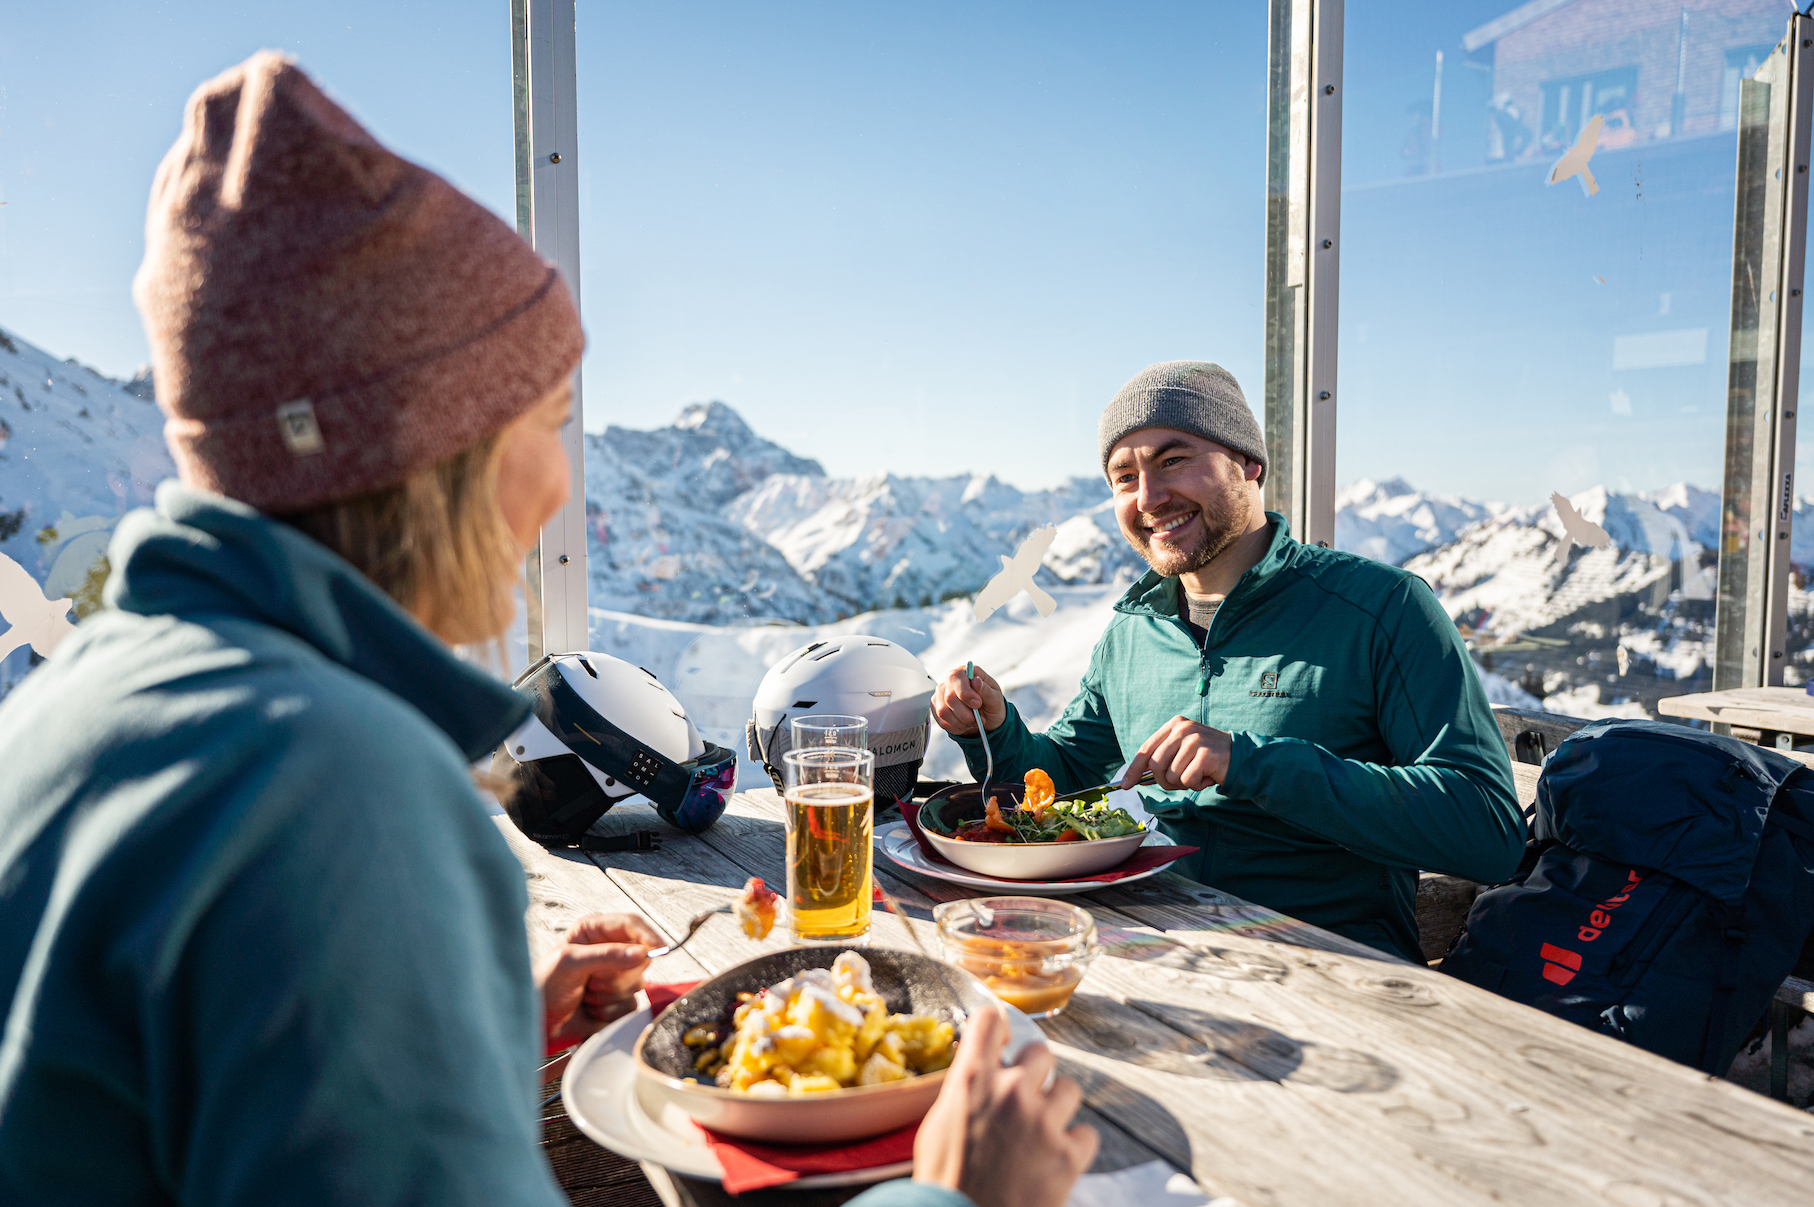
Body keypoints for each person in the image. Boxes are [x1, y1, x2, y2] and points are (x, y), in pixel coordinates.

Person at [0, 54, 1091, 1207]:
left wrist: (448, 1028)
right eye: (544, 426)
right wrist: (958, 1198)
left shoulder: (75, 711)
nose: (558, 494)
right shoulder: (339, 792)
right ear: (430, 453)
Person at [933, 362, 1524, 961]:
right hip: (1150, 950)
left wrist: (1252, 763)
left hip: (1327, 968)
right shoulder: (1135, 629)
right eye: (1123, 476)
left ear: (1248, 464)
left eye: (1172, 460)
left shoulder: (1379, 608)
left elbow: (1487, 829)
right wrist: (994, 725)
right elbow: (1062, 777)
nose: (1148, 497)